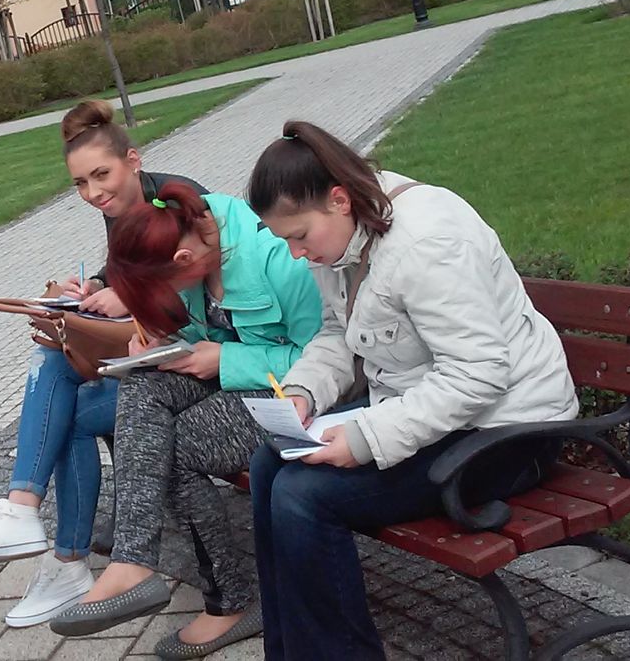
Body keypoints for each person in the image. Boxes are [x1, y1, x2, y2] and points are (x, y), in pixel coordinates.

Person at [243, 121, 579, 660]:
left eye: (299, 236)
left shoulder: (427, 242)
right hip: (440, 414)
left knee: (303, 497)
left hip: (510, 431)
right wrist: (304, 393)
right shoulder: (343, 236)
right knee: (268, 464)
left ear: (338, 199)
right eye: (284, 240)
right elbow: (338, 332)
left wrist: (364, 439)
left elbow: (477, 373)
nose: (296, 253)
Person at [0, 100, 206, 628]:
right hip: (151, 356)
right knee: (52, 359)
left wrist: (129, 297)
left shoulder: (180, 200)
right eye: (80, 184)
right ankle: (28, 517)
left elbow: (205, 291)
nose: (92, 193)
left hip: (196, 367)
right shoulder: (120, 208)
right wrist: (92, 288)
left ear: (133, 160)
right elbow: (125, 270)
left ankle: (58, 551)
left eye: (101, 176)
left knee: (64, 414)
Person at [50, 182, 322, 660]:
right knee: (142, 384)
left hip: (297, 393)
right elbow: (204, 327)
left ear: (182, 260)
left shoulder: (277, 257)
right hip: (230, 371)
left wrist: (226, 360)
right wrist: (160, 344)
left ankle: (231, 602)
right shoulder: (188, 240)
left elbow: (327, 357)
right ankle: (133, 560)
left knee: (177, 447)